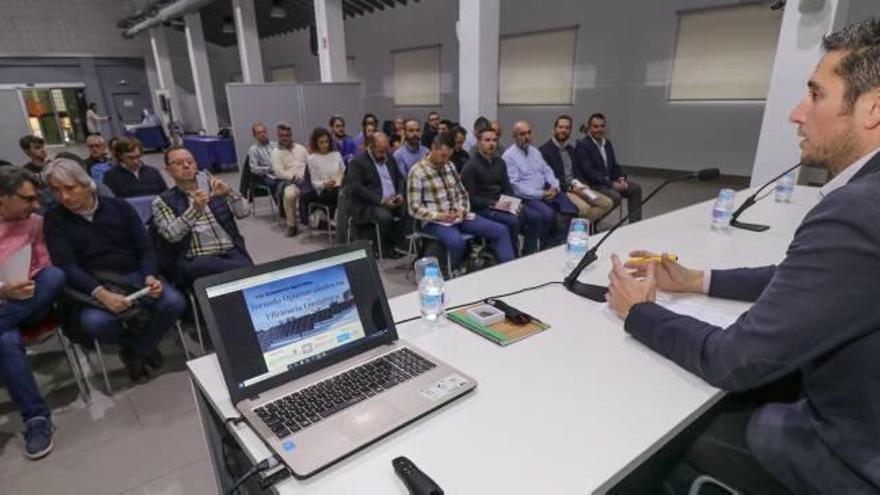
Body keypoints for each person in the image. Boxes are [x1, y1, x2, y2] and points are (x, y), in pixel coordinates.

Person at [605, 17, 880, 494]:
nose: (797, 113)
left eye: (815, 95)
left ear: (872, 108)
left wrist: (640, 311)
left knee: (656, 443)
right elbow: (810, 280)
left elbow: (734, 360)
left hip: (852, 457)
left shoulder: (858, 210)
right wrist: (696, 280)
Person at [43, 159, 185, 384]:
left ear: (87, 184)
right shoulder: (54, 218)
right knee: (96, 323)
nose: (64, 197)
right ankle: (142, 346)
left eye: (70, 188)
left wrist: (149, 275)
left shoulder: (119, 207)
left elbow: (145, 247)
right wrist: (100, 293)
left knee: (173, 302)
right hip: (92, 283)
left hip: (135, 275)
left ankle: (136, 350)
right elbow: (66, 265)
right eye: (56, 191)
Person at [0, 167, 66, 460]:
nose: (34, 205)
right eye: (27, 199)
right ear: (3, 198)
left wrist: (25, 283)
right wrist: (4, 289)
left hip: (30, 301)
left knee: (54, 276)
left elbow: (43, 261)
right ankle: (37, 419)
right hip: (5, 304)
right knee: (5, 341)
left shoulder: (34, 222)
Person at [408, 133, 514, 270]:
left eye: (448, 156)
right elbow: (413, 208)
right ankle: (450, 272)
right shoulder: (417, 172)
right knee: (456, 242)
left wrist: (462, 210)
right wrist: (439, 216)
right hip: (434, 221)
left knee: (501, 230)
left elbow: (463, 194)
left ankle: (510, 269)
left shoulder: (450, 166)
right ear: (433, 148)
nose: (445, 160)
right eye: (442, 155)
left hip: (458, 216)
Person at [151, 146, 252, 286]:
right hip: (197, 258)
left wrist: (229, 193)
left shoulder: (214, 188)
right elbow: (171, 235)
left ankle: (244, 272)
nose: (186, 166)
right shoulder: (162, 201)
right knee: (244, 272)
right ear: (168, 170)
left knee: (241, 269)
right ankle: (246, 272)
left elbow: (244, 212)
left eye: (190, 162)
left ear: (196, 165)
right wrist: (195, 210)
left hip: (230, 251)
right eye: (179, 163)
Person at [462, 126, 548, 257]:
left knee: (535, 217)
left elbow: (507, 188)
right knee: (513, 221)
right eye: (487, 140)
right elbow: (470, 198)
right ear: (478, 143)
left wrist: (514, 203)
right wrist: (493, 204)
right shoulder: (470, 166)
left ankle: (529, 254)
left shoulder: (500, 162)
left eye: (494, 140)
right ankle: (512, 256)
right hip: (483, 207)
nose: (491, 143)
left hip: (503, 202)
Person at [502, 121, 576, 247]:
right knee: (548, 214)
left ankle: (556, 243)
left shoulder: (534, 151)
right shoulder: (509, 156)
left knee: (569, 209)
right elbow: (515, 186)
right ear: (514, 137)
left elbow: (547, 170)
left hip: (546, 191)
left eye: (529, 133)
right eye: (522, 134)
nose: (527, 137)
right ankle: (543, 245)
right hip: (526, 197)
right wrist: (541, 194)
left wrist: (555, 186)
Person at [539, 115, 614, 225]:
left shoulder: (571, 149)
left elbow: (577, 171)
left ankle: (576, 227)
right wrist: (571, 188)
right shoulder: (544, 151)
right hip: (563, 190)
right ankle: (581, 231)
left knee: (607, 203)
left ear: (570, 130)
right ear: (554, 129)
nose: (564, 130)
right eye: (561, 127)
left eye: (567, 128)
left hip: (577, 186)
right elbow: (549, 179)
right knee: (584, 208)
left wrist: (583, 184)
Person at [347, 133, 407, 259]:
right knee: (385, 216)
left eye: (386, 150)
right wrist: (381, 201)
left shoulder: (389, 158)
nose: (384, 154)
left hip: (392, 199)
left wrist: (400, 194)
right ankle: (382, 248)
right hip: (369, 204)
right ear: (371, 147)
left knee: (410, 210)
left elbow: (400, 179)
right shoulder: (357, 162)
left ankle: (399, 244)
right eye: (380, 151)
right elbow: (357, 189)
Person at [576, 113, 643, 222]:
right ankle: (595, 220)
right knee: (616, 196)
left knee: (635, 189)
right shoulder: (583, 145)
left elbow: (615, 166)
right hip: (595, 184)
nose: (599, 129)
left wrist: (621, 180)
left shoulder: (607, 143)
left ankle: (635, 225)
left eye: (602, 126)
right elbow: (589, 172)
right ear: (589, 127)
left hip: (609, 182)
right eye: (596, 126)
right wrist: (611, 184)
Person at [270, 122, 309, 236]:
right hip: (291, 182)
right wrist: (294, 177)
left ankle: (322, 220)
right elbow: (278, 172)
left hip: (307, 180)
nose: (285, 138)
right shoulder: (275, 153)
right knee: (289, 195)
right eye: (282, 136)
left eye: (287, 135)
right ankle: (292, 225)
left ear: (291, 135)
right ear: (278, 136)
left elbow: (310, 162)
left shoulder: (301, 148)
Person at [103, 137, 167, 198]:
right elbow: (110, 202)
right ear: (120, 155)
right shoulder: (111, 176)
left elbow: (166, 195)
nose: (135, 161)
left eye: (138, 157)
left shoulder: (153, 172)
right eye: (130, 158)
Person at [307, 127, 345, 211]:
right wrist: (324, 185)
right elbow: (314, 182)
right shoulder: (312, 159)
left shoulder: (336, 154)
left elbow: (344, 172)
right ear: (316, 143)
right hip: (324, 191)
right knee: (342, 194)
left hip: (339, 186)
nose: (325, 145)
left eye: (327, 141)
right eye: (321, 142)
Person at [246, 122, 279, 192]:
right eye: (259, 133)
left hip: (278, 172)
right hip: (264, 176)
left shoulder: (275, 145)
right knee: (275, 184)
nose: (262, 134)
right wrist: (270, 169)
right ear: (254, 135)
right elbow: (254, 169)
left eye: (264, 132)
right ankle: (280, 202)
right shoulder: (253, 150)